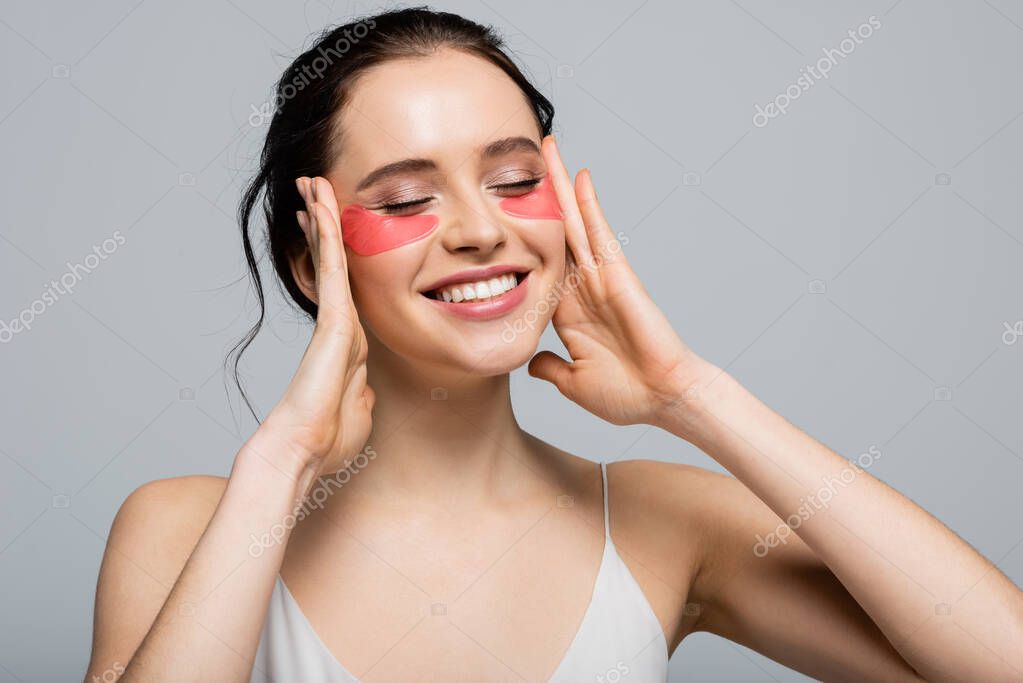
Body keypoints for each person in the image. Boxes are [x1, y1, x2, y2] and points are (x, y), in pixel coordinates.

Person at [85, 8, 1023, 682]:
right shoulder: (183, 527)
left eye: (511, 178)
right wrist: (282, 463)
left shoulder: (663, 521)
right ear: (308, 258)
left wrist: (691, 395)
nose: (479, 230)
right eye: (408, 198)